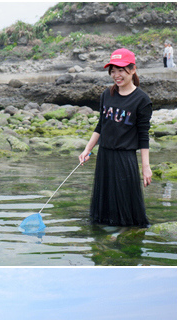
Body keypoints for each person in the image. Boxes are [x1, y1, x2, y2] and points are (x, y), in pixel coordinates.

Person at [79, 48, 152, 227]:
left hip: (124, 157)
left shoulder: (142, 100)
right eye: (113, 70)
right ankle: (105, 232)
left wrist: (146, 167)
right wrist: (87, 149)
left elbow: (143, 137)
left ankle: (125, 234)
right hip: (104, 154)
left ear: (132, 69)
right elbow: (100, 126)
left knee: (124, 202)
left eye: (121, 70)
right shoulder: (107, 94)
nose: (116, 75)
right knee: (105, 203)